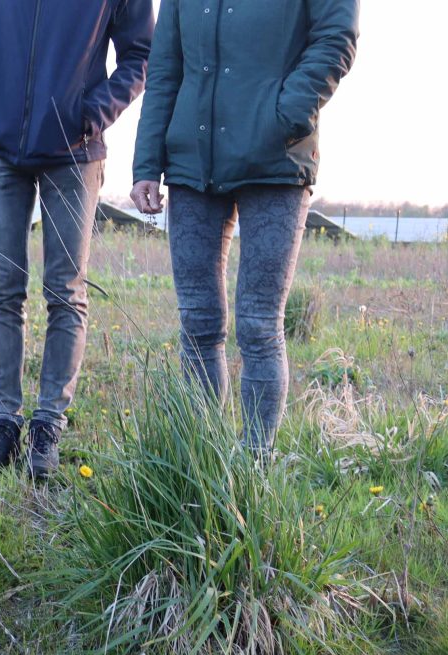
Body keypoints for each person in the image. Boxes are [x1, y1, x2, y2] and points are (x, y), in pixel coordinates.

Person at [131, 0, 358, 453]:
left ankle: (254, 468)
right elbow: (164, 70)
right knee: (197, 323)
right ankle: (204, 464)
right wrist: (146, 164)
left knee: (258, 325)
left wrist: (285, 115)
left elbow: (337, 37)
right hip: (192, 165)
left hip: (274, 161)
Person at [0, 0, 153, 480]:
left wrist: (92, 112)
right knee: (3, 291)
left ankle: (48, 424)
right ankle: (2, 422)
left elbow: (140, 55)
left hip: (74, 151)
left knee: (65, 291)